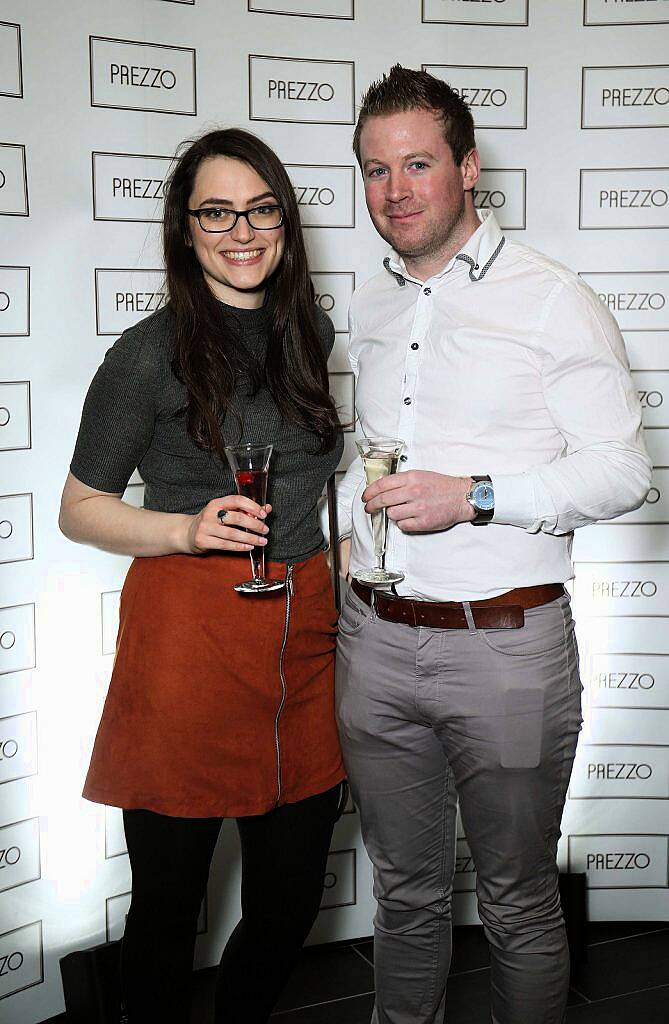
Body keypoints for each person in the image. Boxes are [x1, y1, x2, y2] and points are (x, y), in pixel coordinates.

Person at [334, 66, 651, 1024]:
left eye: (418, 164)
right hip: (375, 641)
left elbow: (623, 473)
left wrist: (476, 497)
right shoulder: (369, 309)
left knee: (516, 904)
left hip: (506, 649)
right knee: (406, 896)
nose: (395, 191)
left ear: (468, 169)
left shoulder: (553, 299)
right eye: (375, 170)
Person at [59, 128, 346, 1024]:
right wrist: (185, 527)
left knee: (289, 898)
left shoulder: (310, 332)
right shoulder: (148, 355)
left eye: (260, 210)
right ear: (186, 229)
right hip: (186, 635)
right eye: (215, 212)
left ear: (285, 225)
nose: (241, 230)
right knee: (168, 907)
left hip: (303, 634)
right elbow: (80, 508)